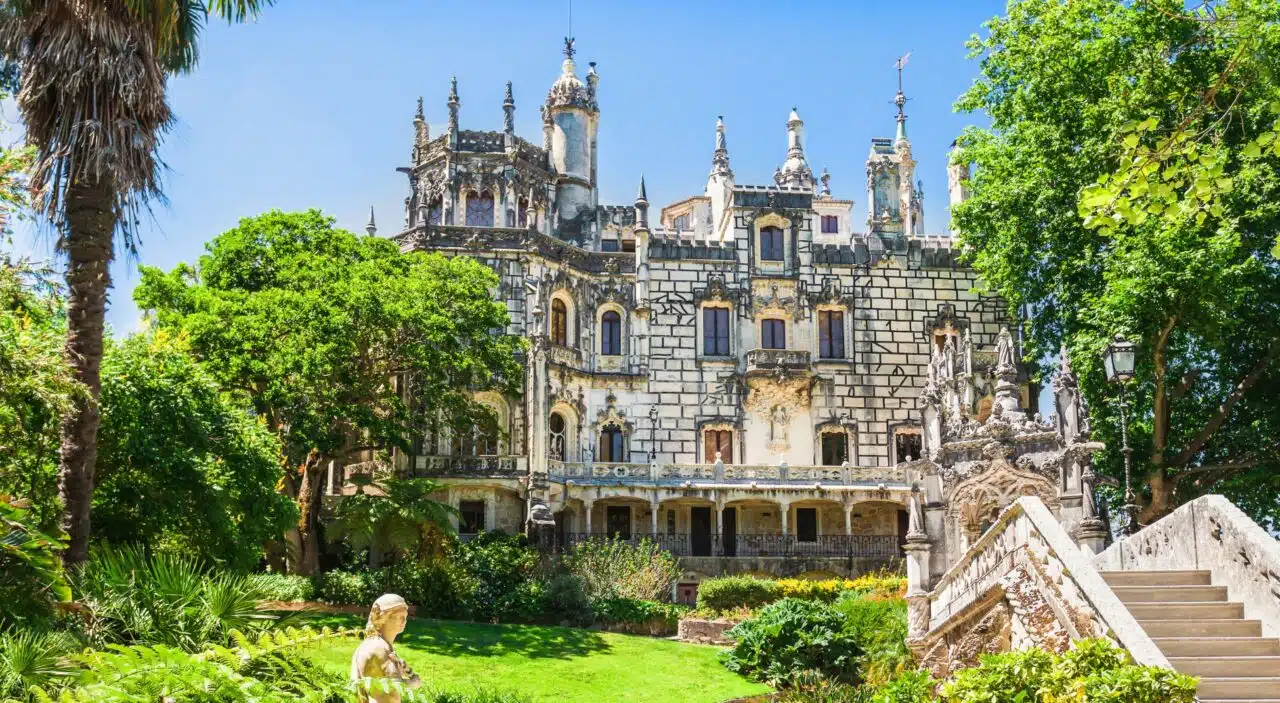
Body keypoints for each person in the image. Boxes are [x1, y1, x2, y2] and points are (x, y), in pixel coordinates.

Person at [350, 593, 422, 703]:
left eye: (405, 616)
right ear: (382, 618)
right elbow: (392, 692)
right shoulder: (379, 648)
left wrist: (409, 673)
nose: (404, 621)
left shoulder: (375, 644)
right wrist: (413, 681)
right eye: (397, 617)